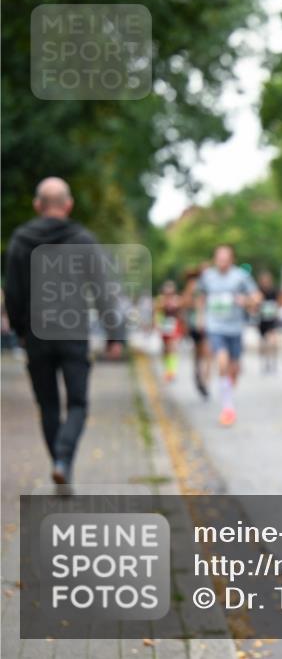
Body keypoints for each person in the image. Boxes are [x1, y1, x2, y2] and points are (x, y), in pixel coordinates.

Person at [4, 177, 125, 485]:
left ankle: (60, 462)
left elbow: (13, 293)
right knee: (78, 403)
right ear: (68, 205)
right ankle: (63, 457)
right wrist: (114, 334)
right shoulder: (83, 240)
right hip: (73, 334)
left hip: (36, 335)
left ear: (37, 205)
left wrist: (19, 330)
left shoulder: (20, 240)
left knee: (47, 405)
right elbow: (103, 290)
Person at [196, 245, 261, 426]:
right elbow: (201, 296)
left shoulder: (240, 276)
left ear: (232, 259)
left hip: (235, 328)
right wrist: (200, 317)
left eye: (226, 258)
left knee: (234, 369)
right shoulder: (207, 276)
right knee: (222, 362)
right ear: (215, 259)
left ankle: (227, 395)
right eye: (219, 258)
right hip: (215, 327)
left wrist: (246, 300)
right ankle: (227, 407)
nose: (222, 261)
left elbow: (257, 297)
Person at [181, 264, 211, 398]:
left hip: (210, 323)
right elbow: (185, 302)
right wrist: (197, 304)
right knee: (199, 353)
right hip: (196, 324)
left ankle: (204, 380)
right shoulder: (193, 284)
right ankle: (198, 374)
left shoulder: (213, 283)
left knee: (208, 352)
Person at [154, 280, 185, 382]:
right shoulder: (160, 300)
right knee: (166, 349)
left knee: (173, 347)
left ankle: (172, 371)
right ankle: (167, 369)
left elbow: (181, 313)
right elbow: (156, 313)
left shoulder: (177, 300)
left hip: (175, 326)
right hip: (164, 326)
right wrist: (157, 324)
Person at [256, 270, 280, 374]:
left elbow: (279, 302)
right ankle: (265, 363)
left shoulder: (274, 290)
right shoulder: (258, 291)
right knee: (263, 343)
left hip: (272, 320)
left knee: (273, 341)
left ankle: (273, 364)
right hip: (262, 320)